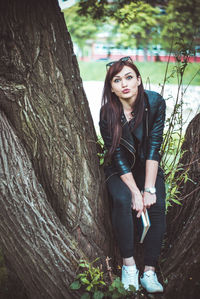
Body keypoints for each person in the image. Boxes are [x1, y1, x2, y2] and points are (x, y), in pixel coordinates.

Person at [99, 56, 166, 293]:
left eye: (129, 77)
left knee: (156, 204)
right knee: (123, 199)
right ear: (112, 88)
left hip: (147, 167)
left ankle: (149, 272)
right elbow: (116, 155)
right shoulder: (107, 113)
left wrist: (148, 189)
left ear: (138, 79)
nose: (124, 83)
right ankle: (129, 266)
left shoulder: (155, 102)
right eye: (117, 80)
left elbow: (153, 147)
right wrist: (135, 192)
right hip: (119, 171)